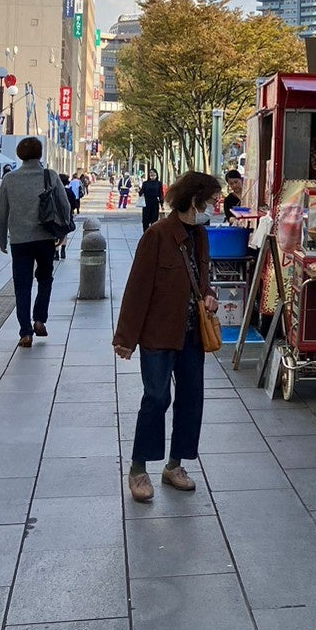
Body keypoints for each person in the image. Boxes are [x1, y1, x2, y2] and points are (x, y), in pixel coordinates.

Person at [112, 171, 222, 503]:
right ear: (194, 201)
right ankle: (138, 468)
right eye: (212, 201)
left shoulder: (201, 236)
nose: (215, 207)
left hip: (192, 335)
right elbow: (137, 289)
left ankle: (175, 465)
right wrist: (126, 337)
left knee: (191, 398)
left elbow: (202, 277)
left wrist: (209, 295)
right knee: (157, 398)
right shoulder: (157, 236)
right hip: (159, 333)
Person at [0, 138, 71, 348]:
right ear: (40, 153)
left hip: (19, 240)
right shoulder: (50, 175)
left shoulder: (10, 179)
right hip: (45, 237)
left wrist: (1, 238)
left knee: (22, 285)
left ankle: (25, 333)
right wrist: (63, 231)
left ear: (19, 154)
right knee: (45, 278)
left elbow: (1, 212)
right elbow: (64, 206)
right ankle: (39, 319)